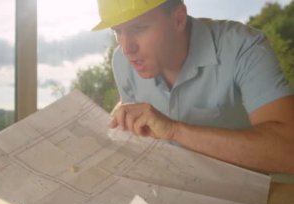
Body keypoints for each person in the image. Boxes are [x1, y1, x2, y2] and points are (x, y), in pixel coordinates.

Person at [92, 0, 294, 173]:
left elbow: (288, 151)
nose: (127, 48)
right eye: (118, 31)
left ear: (179, 19)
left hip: (260, 194)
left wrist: (174, 131)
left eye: (139, 28)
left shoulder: (244, 46)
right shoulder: (121, 62)